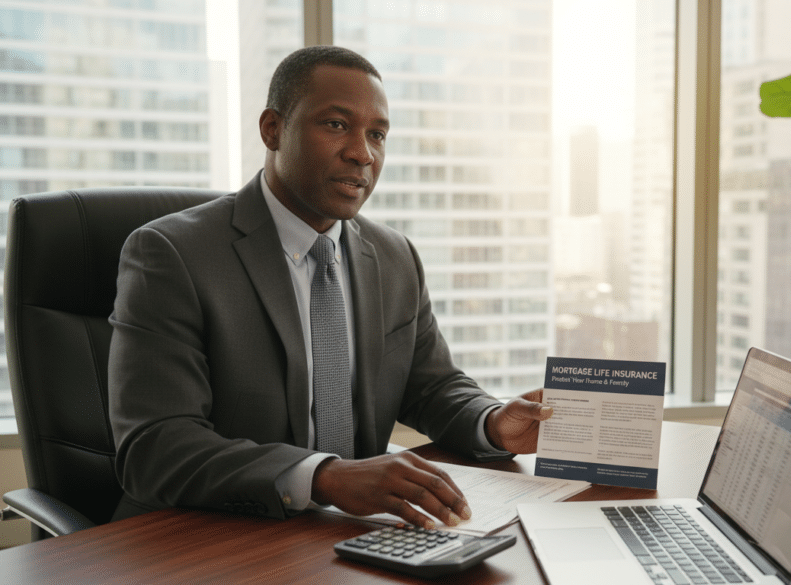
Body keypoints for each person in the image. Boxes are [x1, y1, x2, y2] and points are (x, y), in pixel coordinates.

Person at [108, 45, 552, 530]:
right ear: (272, 129)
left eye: (377, 134)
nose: (362, 153)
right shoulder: (172, 254)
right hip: (207, 539)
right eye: (336, 125)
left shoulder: (394, 256)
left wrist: (492, 422)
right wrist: (325, 477)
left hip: (347, 537)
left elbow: (431, 386)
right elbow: (155, 447)